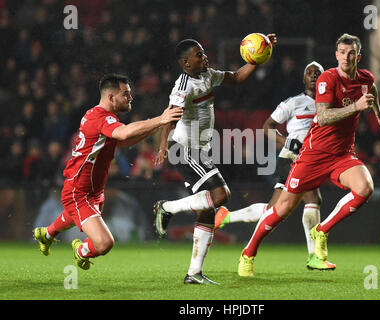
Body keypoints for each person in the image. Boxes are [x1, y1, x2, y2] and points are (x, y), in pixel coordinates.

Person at [237, 33, 380, 277]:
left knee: (365, 187)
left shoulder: (365, 78)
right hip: (313, 154)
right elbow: (322, 117)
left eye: (351, 53)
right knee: (282, 209)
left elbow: (370, 88)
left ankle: (321, 231)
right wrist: (356, 107)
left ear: (358, 56)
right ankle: (248, 253)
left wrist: (379, 113)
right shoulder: (327, 79)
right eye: (342, 52)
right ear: (336, 55)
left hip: (341, 154)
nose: (346, 57)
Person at [153, 35, 278, 285]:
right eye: (199, 55)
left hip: (201, 149)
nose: (204, 56)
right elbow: (170, 116)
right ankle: (167, 207)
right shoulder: (184, 85)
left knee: (208, 210)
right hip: (186, 148)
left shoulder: (208, 75)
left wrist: (257, 56)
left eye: (203, 52)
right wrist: (163, 145)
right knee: (221, 195)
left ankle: (194, 273)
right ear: (187, 63)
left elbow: (237, 77)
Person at [33, 74, 183, 269]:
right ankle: (81, 251)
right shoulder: (100, 117)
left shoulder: (100, 116)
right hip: (78, 192)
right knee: (104, 243)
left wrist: (160, 123)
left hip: (92, 190)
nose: (130, 98)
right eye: (125, 94)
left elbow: (123, 141)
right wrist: (160, 118)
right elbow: (125, 132)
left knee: (75, 215)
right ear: (111, 97)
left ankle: (46, 234)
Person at [213, 61, 334, 270]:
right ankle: (315, 256)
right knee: (312, 198)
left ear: (324, 79)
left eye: (318, 72)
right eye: (309, 72)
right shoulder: (294, 102)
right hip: (293, 157)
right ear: (303, 79)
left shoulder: (331, 105)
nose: (314, 75)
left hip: (315, 160)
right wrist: (286, 142)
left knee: (275, 209)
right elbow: (267, 126)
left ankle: (228, 216)